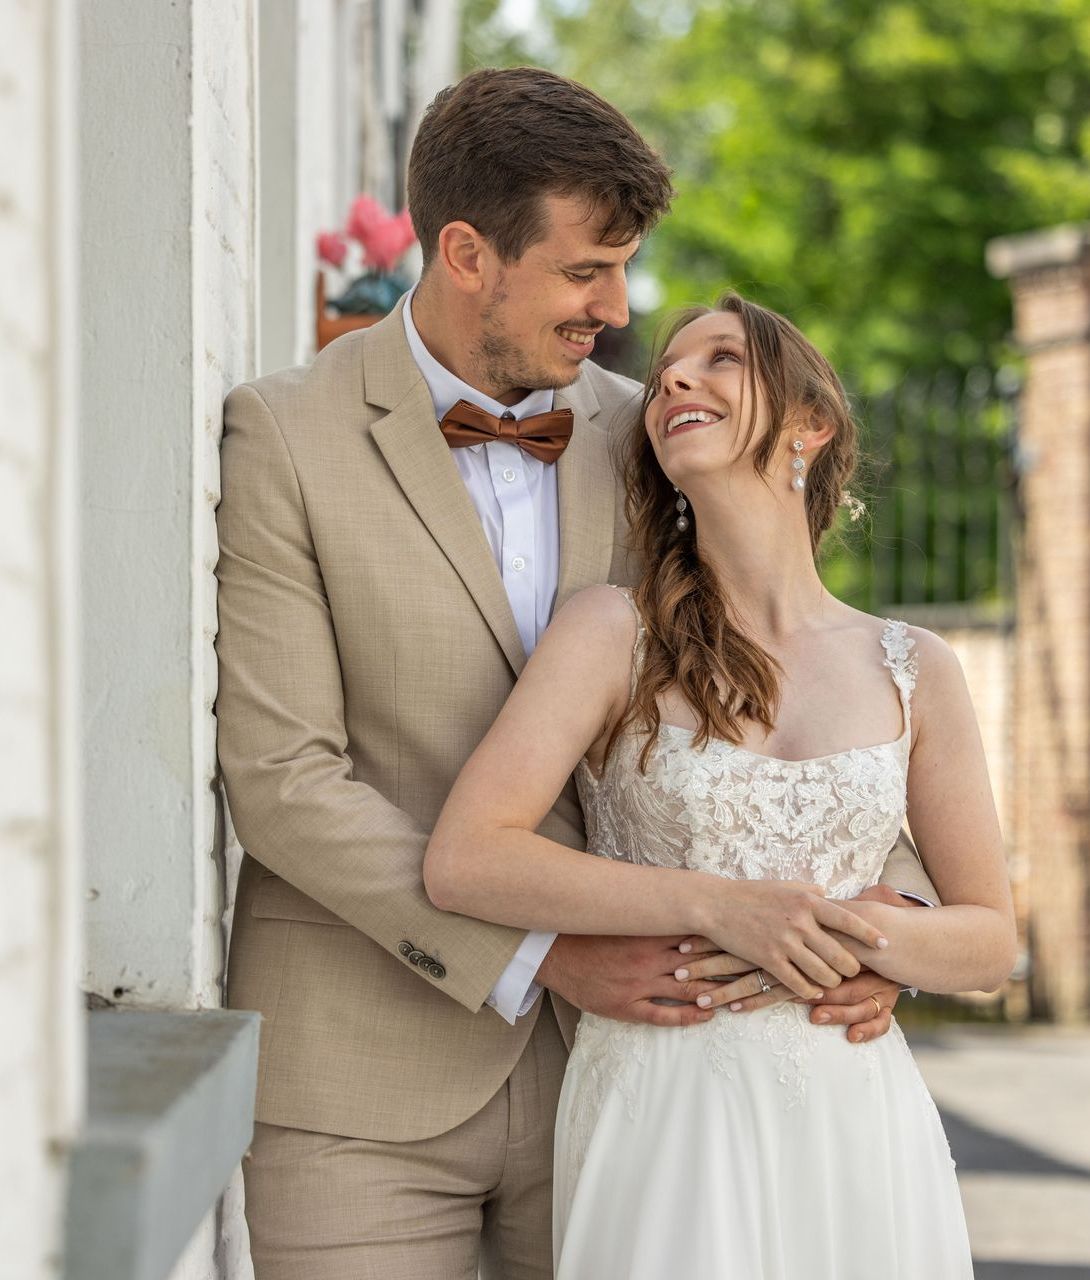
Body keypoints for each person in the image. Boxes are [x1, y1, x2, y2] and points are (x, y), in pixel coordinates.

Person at [216, 68, 936, 1280]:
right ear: (465, 253)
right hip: (357, 1084)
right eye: (583, 269)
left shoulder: (649, 431)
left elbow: (795, 666)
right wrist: (538, 950)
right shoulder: (283, 431)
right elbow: (283, 777)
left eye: (623, 266)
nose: (615, 307)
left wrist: (880, 922)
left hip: (637, 1082)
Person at [424, 291, 1017, 1278]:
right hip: (664, 1112)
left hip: (854, 1119)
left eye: (723, 360)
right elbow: (467, 856)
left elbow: (989, 937)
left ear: (809, 423)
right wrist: (723, 906)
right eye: (665, 372)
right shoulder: (610, 631)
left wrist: (871, 938)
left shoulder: (914, 664)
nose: (676, 380)